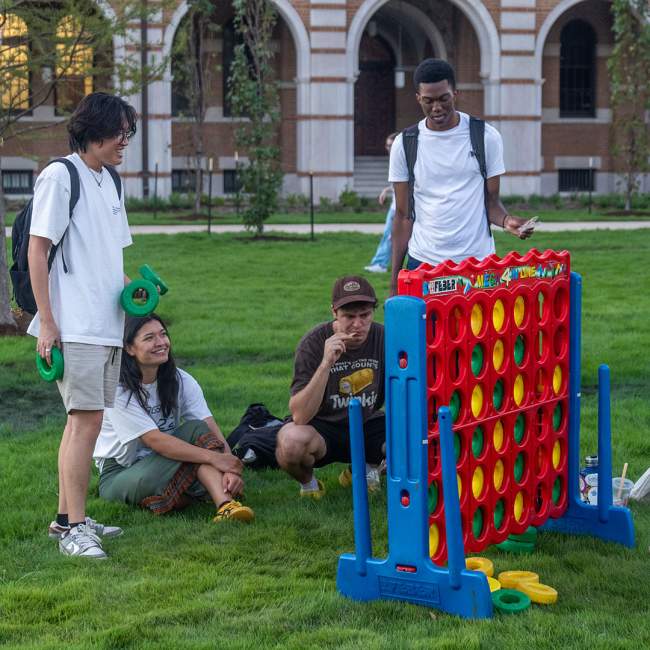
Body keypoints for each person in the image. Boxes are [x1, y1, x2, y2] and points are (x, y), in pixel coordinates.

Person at [28, 92, 137, 559]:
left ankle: (64, 519)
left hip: (107, 324)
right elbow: (38, 249)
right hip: (75, 325)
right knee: (85, 422)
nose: (124, 142)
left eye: (127, 134)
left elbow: (111, 256)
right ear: (93, 131)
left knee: (83, 424)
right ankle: (74, 529)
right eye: (119, 133)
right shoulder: (61, 175)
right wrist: (48, 324)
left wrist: (135, 293)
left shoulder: (109, 181)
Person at [389, 58, 534, 294]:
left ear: (455, 93)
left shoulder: (485, 136)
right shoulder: (405, 144)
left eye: (443, 98)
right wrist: (395, 280)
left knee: (478, 332)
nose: (437, 107)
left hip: (477, 264)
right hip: (424, 262)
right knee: (428, 332)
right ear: (418, 98)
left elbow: (491, 202)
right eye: (429, 101)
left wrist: (507, 222)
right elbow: (403, 216)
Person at [93, 314, 254, 523]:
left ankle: (225, 505)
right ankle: (203, 495)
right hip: (122, 473)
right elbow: (155, 441)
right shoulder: (117, 389)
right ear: (129, 348)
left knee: (196, 434)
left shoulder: (181, 380)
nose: (161, 343)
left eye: (163, 334)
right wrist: (216, 459)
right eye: (149, 338)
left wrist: (231, 467)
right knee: (197, 450)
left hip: (172, 460)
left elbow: (209, 427)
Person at [275, 276, 385, 499]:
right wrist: (326, 363)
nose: (358, 324)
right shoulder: (314, 343)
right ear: (334, 312)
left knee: (417, 439)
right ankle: (310, 485)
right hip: (323, 427)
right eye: (349, 316)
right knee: (291, 443)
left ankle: (366, 468)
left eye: (365, 315)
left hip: (367, 421)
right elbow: (300, 416)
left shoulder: (384, 337)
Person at [365, 132, 398, 273]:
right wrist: (387, 189)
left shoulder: (405, 161)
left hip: (399, 208)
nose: (388, 148)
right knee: (390, 236)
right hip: (395, 207)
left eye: (391, 145)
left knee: (389, 236)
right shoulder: (396, 161)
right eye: (387, 145)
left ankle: (380, 264)